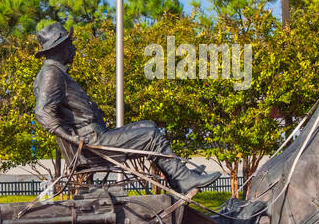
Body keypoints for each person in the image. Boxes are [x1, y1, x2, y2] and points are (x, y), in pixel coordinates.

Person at [32, 22, 221, 194]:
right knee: (150, 135)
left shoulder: (56, 73)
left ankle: (179, 178)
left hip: (94, 137)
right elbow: (42, 112)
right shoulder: (51, 74)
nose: (74, 48)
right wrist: (72, 138)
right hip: (92, 142)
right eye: (70, 44)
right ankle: (183, 179)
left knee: (149, 125)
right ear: (60, 48)